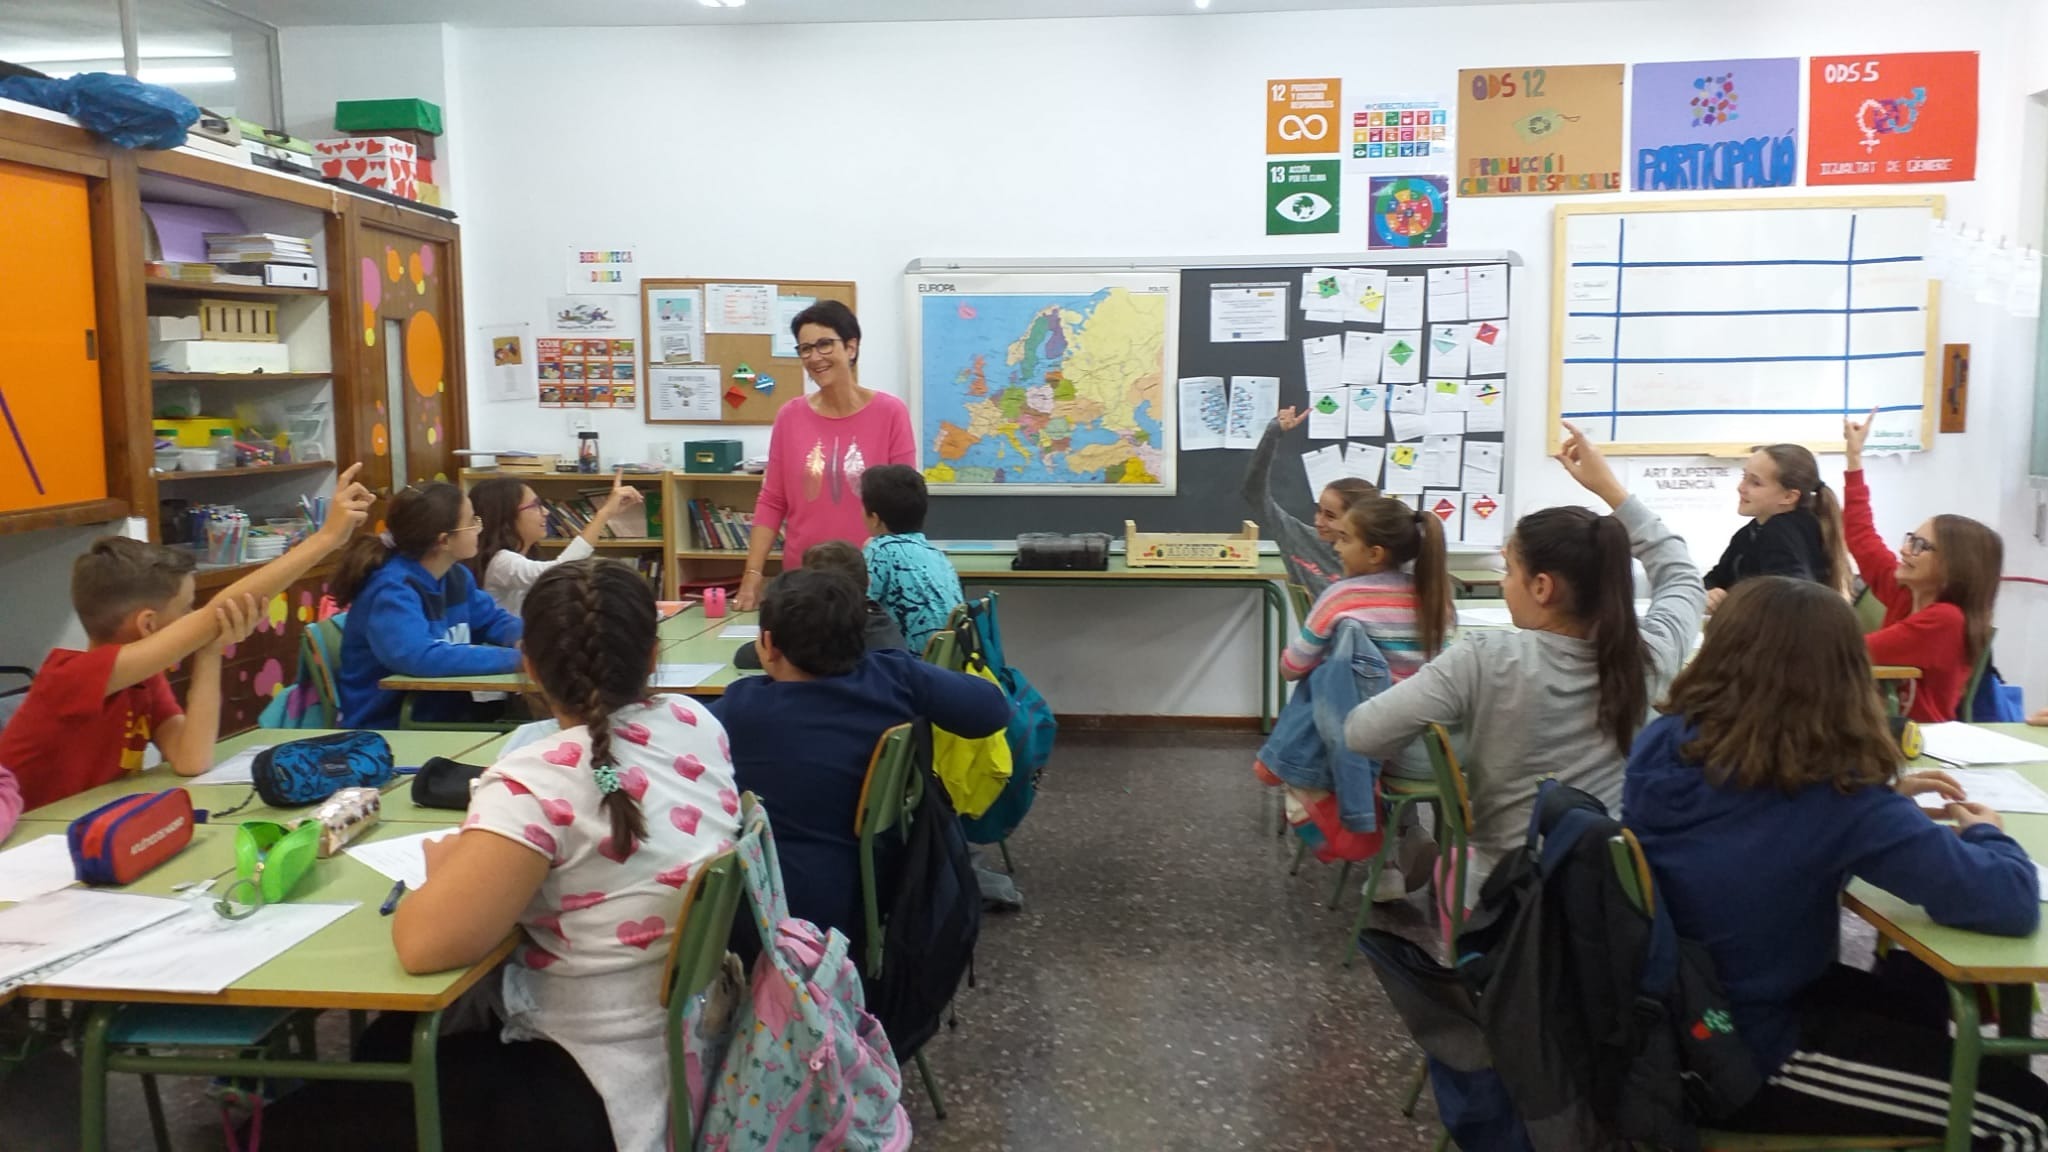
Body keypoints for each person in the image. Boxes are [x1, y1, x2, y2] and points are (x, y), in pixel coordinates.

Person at [267, 559, 742, 1152]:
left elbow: (423, 947)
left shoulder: (533, 781)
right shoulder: (696, 722)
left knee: (302, 1122)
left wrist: (441, 874)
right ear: (653, 656)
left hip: (598, 1081)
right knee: (389, 1043)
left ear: (529, 666)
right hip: (691, 1048)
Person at [1625, 576, 2047, 1148]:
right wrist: (1989, 836)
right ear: (1844, 677)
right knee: (2028, 1115)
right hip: (1748, 1053)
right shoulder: (1835, 795)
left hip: (1673, 1021)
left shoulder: (1665, 742)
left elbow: (1759, 835)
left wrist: (1883, 806)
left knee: (1915, 996)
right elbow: (2008, 902)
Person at [1345, 423, 1705, 891]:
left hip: (1504, 900)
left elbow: (1361, 734)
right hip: (1611, 898)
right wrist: (1611, 491)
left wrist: (1461, 724)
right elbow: (1681, 576)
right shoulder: (1650, 654)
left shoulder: (1482, 659)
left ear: (1542, 587)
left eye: (1509, 568)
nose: (1502, 581)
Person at [0, 466, 373, 810]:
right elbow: (217, 614)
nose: (193, 619)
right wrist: (326, 538)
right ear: (147, 625)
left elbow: (191, 759)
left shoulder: (141, 680)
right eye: (185, 608)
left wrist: (210, 652)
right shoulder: (71, 677)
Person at [711, 568, 1009, 945]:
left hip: (779, 899)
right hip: (885, 880)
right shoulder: (893, 677)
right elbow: (991, 710)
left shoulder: (740, 708)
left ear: (767, 644)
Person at [1265, 495, 1452, 890]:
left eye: (1345, 539)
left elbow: (1290, 668)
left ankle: (1370, 853)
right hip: (1435, 754)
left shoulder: (1342, 596)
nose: (1335, 546)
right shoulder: (1437, 598)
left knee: (1329, 698)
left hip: (1368, 751)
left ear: (1374, 553)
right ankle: (1421, 848)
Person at [735, 301, 915, 612]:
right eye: (805, 349)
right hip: (804, 585)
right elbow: (772, 501)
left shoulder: (890, 413)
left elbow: (904, 505)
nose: (815, 357)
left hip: (873, 583)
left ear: (851, 347)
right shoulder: (789, 416)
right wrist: (752, 575)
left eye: (824, 344)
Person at [1842, 408, 2002, 723]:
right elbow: (1862, 537)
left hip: (1924, 742)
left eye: (1920, 546)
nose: (1904, 550)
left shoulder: (1946, 619)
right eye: (1909, 539)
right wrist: (1854, 460)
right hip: (1887, 730)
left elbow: (1856, 650)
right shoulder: (1905, 593)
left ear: (1954, 566)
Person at [334, 482, 524, 729]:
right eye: (472, 521)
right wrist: (519, 659)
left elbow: (492, 620)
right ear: (444, 540)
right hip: (391, 725)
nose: (479, 528)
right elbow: (419, 657)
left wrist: (535, 641)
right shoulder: (391, 589)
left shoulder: (455, 576)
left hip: (444, 716)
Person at [1242, 407, 1379, 596]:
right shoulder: (1300, 538)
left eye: (1330, 516)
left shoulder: (1378, 561)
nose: (1318, 521)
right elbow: (1254, 492)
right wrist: (1274, 432)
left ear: (1359, 521)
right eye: (1318, 511)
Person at [467, 471, 645, 614]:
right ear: (506, 516)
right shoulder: (502, 562)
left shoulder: (524, 555)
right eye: (535, 506)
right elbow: (559, 570)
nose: (545, 512)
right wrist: (604, 514)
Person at [1703, 443, 1850, 613]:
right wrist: (1709, 592)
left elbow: (1791, 602)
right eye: (1744, 476)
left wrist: (1732, 605)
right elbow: (1716, 577)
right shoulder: (1753, 530)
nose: (1741, 487)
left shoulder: (1780, 532)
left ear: (1789, 496)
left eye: (1755, 483)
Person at [733, 539, 904, 670]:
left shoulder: (817, 634)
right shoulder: (881, 622)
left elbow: (745, 657)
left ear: (806, 589)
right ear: (868, 581)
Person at [860, 463, 966, 652]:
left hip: (903, 668)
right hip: (940, 667)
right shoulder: (938, 556)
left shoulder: (880, 550)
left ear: (875, 519)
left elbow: (851, 611)